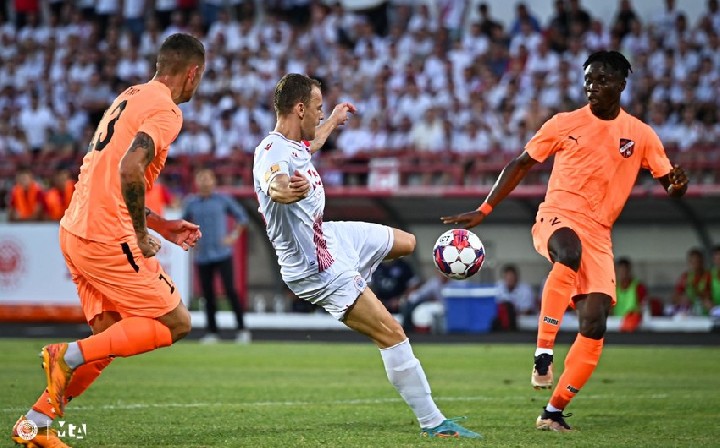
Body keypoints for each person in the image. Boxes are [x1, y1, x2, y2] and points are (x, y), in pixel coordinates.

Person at [442, 51, 689, 432]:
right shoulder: (564, 123)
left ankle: (553, 411)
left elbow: (668, 182)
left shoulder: (640, 134)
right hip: (557, 217)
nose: (592, 86)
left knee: (594, 324)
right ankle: (543, 353)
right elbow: (521, 163)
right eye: (588, 79)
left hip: (599, 233)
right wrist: (484, 209)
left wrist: (677, 187)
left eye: (602, 79)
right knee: (568, 252)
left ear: (621, 85)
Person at [252, 74, 480, 439]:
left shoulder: (294, 145)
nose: (321, 113)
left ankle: (362, 284)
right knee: (393, 334)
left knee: (407, 242)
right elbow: (274, 183)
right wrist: (287, 190)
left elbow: (311, 143)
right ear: (300, 109)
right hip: (315, 268)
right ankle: (434, 423)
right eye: (318, 108)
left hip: (330, 237)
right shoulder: (271, 151)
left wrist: (334, 119)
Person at [11, 33, 205, 448]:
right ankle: (66, 355)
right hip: (107, 235)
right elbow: (130, 169)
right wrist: (140, 233)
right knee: (176, 323)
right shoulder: (167, 110)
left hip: (74, 229)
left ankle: (34, 425)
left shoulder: (129, 97)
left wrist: (160, 224)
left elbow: (108, 178)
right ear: (193, 73)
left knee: (109, 339)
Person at [182, 168, 250, 344]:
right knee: (208, 294)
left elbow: (242, 218)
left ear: (213, 181)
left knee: (230, 290)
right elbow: (182, 225)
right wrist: (190, 240)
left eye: (208, 178)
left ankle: (242, 329)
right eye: (201, 178)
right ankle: (212, 332)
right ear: (196, 182)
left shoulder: (223, 199)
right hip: (202, 255)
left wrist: (233, 236)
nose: (205, 182)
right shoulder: (191, 203)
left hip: (222, 253)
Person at [495, 264, 535, 331]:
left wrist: (511, 313)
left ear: (516, 277)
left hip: (523, 320)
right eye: (507, 278)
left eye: (512, 277)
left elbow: (528, 311)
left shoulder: (525, 289)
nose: (510, 280)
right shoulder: (498, 287)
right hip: (504, 322)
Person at [672, 248, 711, 315]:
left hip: (708, 313)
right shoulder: (685, 277)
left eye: (698, 261)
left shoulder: (709, 276)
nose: (695, 264)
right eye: (693, 262)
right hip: (692, 314)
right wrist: (681, 299)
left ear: (702, 262)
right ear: (689, 263)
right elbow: (675, 296)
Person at [614, 257, 648, 332]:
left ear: (629, 270)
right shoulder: (613, 288)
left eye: (625, 271)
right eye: (620, 271)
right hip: (616, 325)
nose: (623, 274)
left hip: (634, 327)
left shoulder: (639, 287)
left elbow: (644, 308)